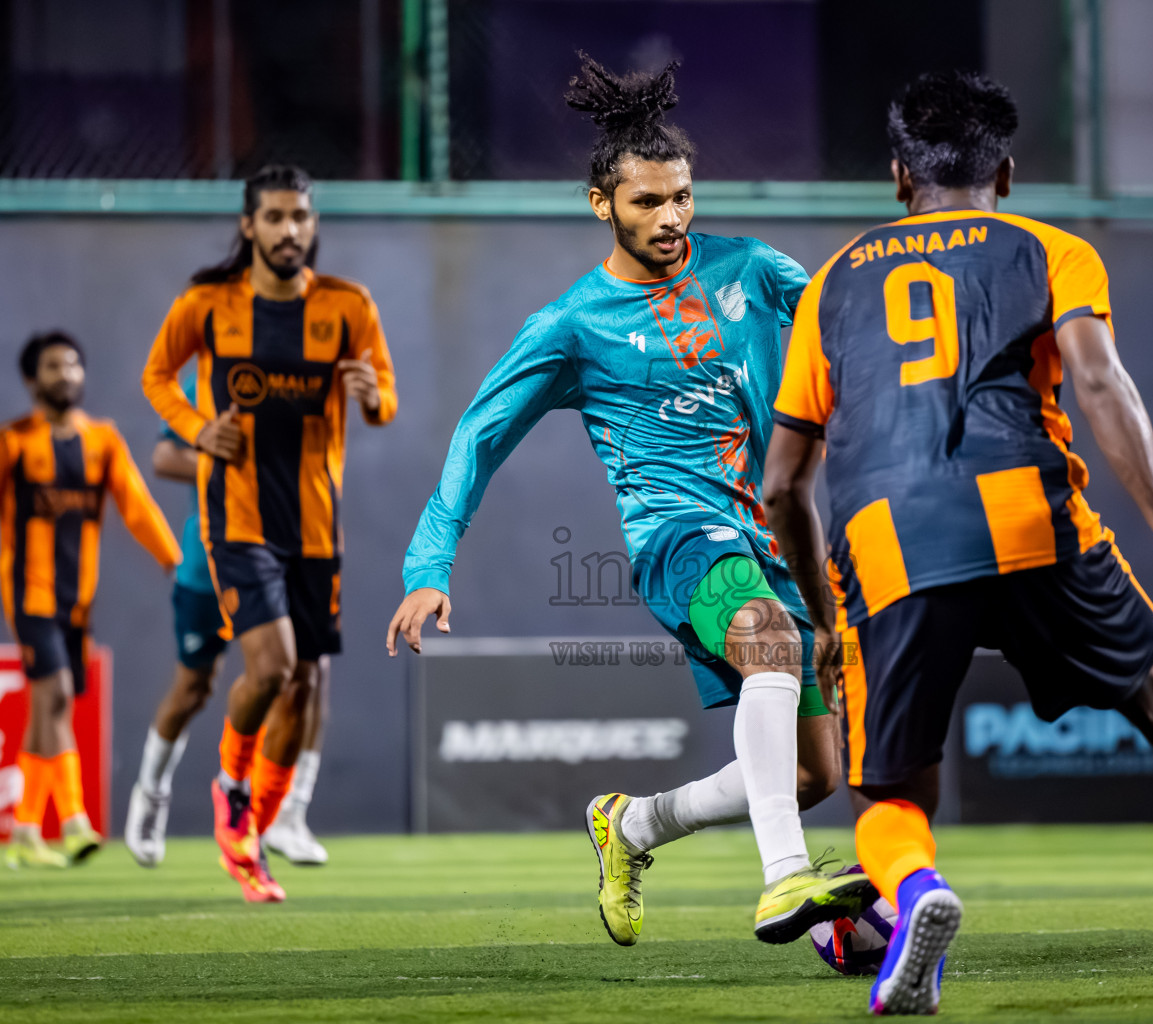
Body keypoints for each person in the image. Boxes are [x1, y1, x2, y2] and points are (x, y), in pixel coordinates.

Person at [763, 71, 1153, 1014]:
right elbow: (1100, 382)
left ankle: (917, 895)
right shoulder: (1051, 250)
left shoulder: (832, 281)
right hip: (1030, 516)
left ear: (898, 178)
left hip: (887, 539)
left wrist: (824, 621)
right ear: (1005, 173)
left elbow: (783, 484)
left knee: (889, 790)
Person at [386, 54, 871, 947]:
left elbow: (848, 330)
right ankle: (784, 881)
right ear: (601, 204)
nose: (671, 216)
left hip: (770, 533)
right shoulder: (571, 325)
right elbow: (478, 434)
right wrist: (429, 564)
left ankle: (632, 825)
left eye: (682, 196)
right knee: (767, 642)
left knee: (812, 777)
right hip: (677, 538)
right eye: (647, 201)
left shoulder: (750, 268)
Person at [142, 164, 398, 902]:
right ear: (249, 225)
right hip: (239, 519)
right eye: (277, 217)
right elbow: (156, 377)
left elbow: (384, 400)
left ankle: (254, 832)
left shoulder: (349, 305)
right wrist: (199, 429)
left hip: (316, 525)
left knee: (306, 679)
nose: (291, 230)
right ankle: (231, 790)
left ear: (314, 225)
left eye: (302, 217)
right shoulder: (208, 304)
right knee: (274, 668)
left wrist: (372, 396)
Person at [0, 332, 181, 869]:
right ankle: (73, 821)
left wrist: (174, 560)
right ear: (32, 379)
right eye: (53, 366)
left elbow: (136, 505)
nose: (66, 374)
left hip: (77, 600)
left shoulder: (103, 440)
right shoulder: (9, 444)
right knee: (57, 693)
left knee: (50, 706)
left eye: (73, 364)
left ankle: (25, 829)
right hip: (29, 595)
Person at [125, 371, 331, 868]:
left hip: (284, 553)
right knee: (193, 688)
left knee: (307, 675)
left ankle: (287, 812)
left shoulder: (300, 368)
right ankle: (150, 794)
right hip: (210, 555)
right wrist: (231, 462)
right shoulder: (211, 376)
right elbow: (164, 457)